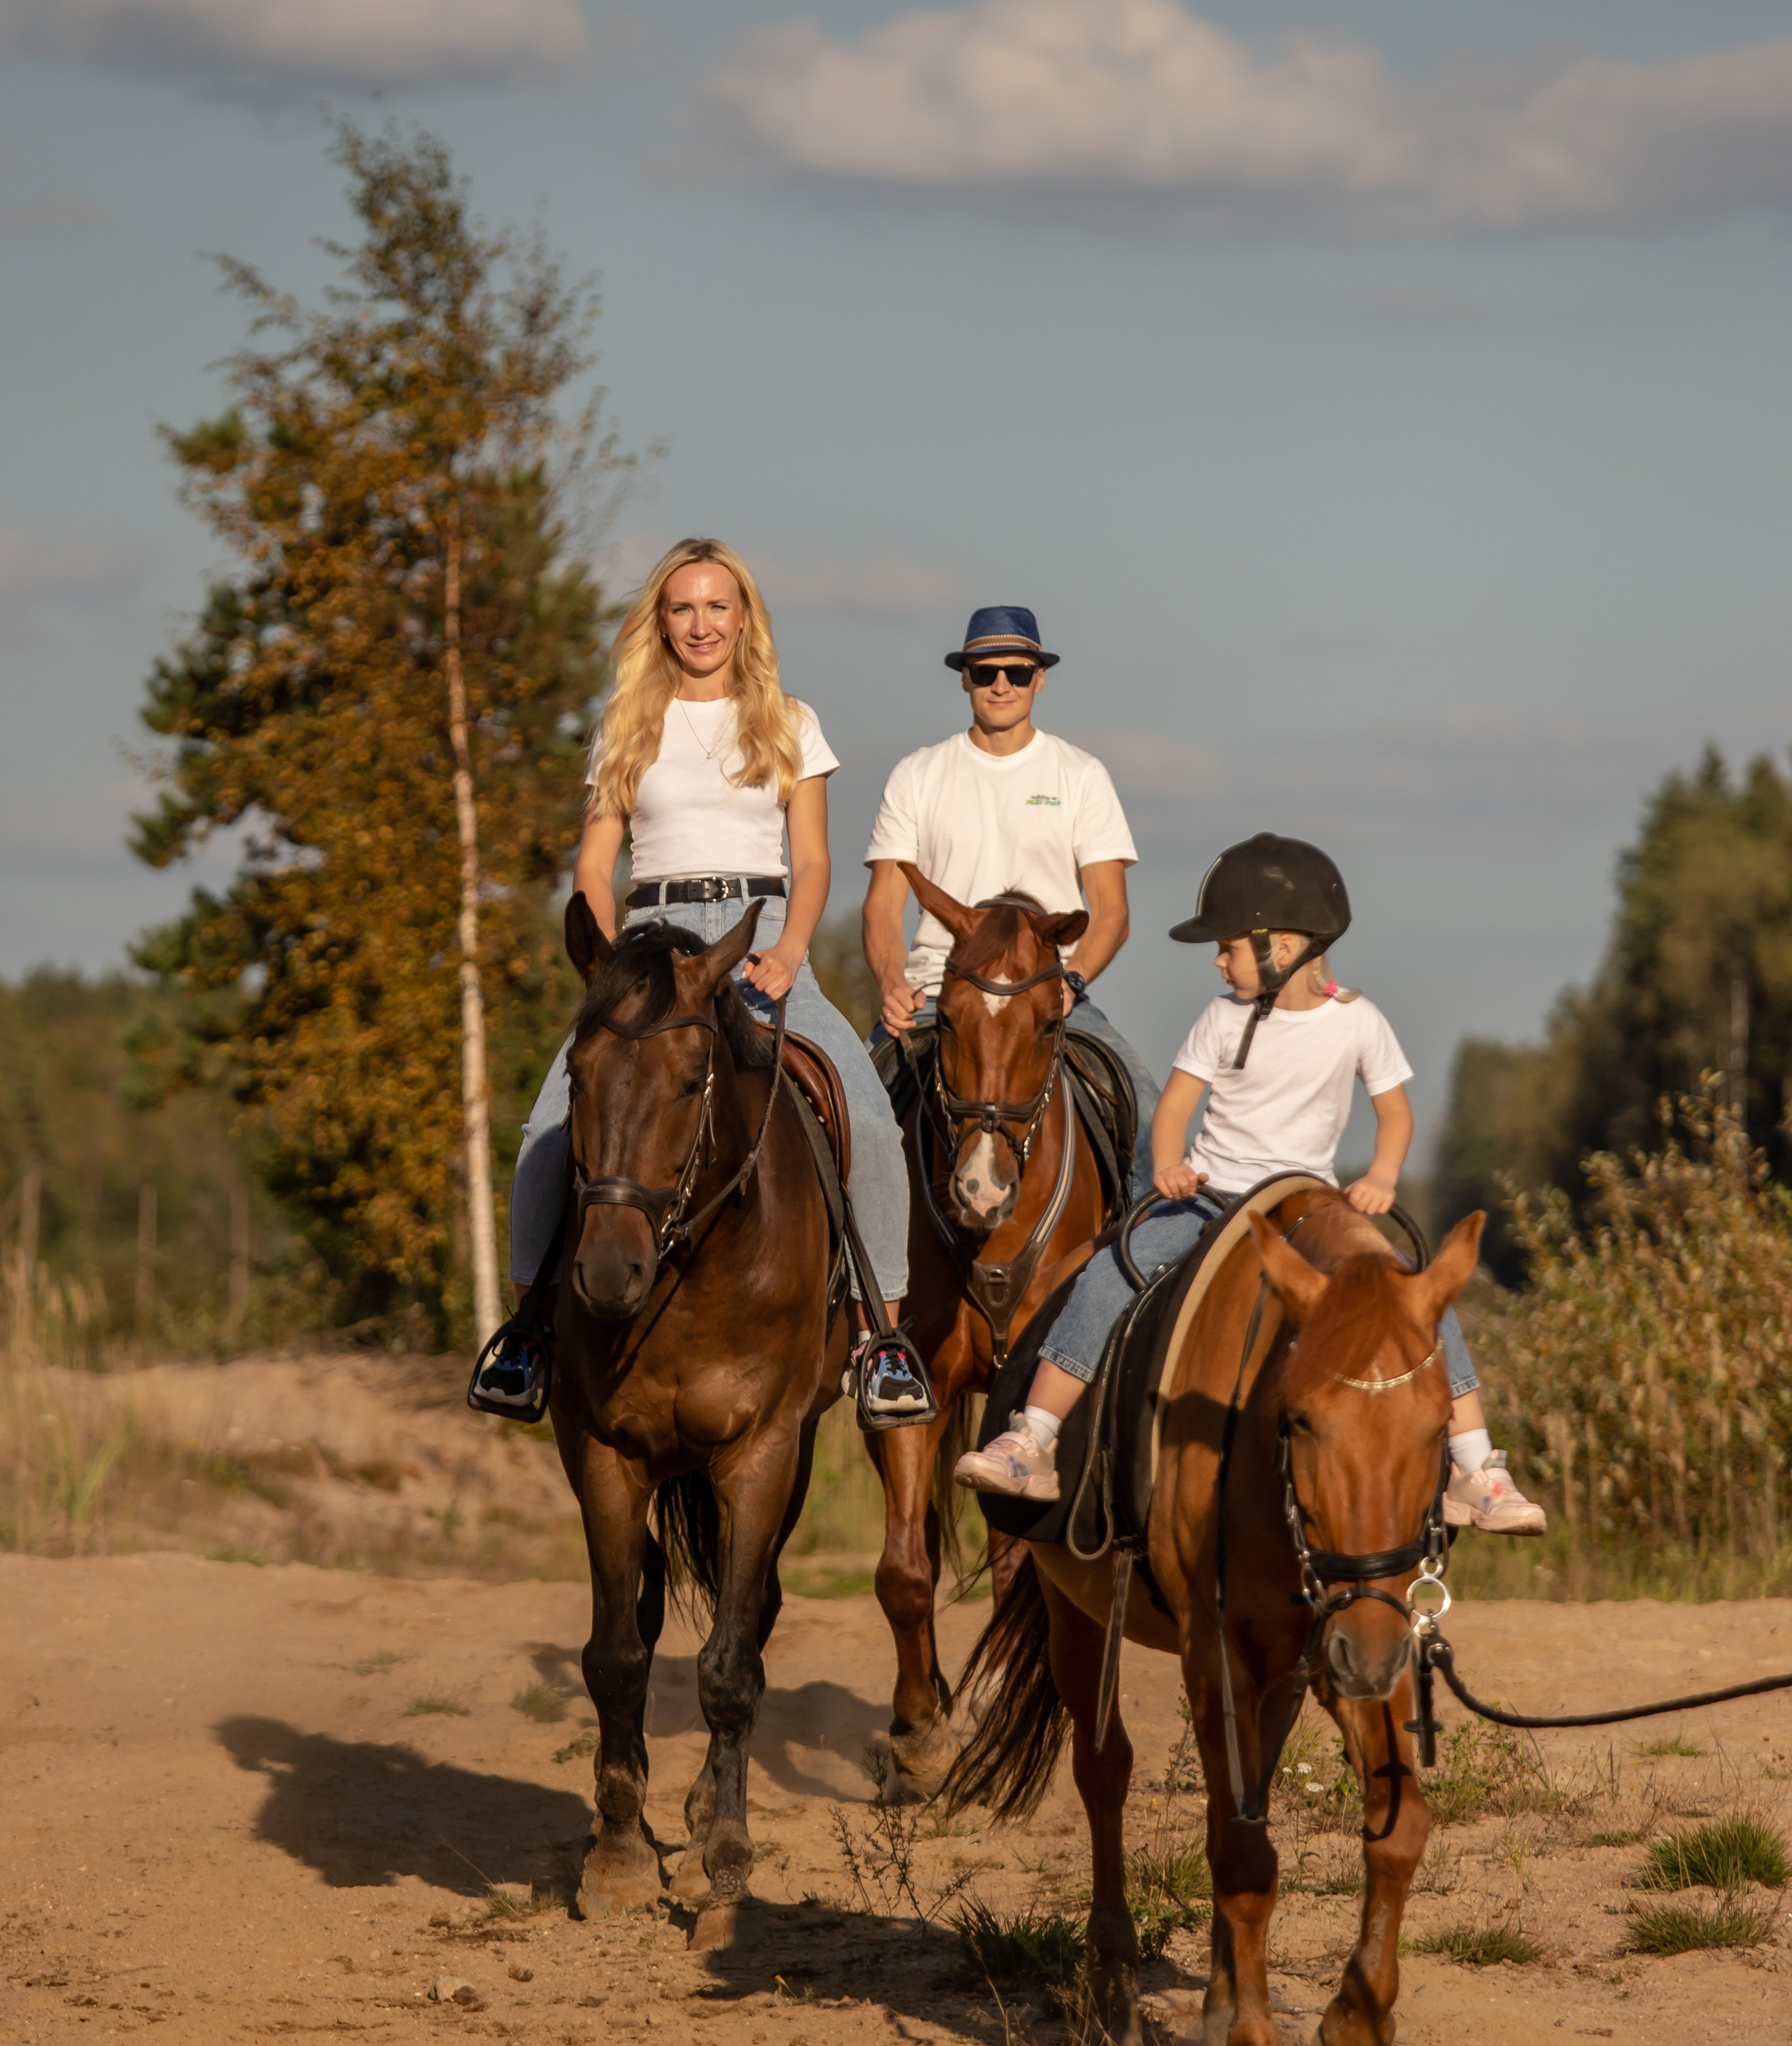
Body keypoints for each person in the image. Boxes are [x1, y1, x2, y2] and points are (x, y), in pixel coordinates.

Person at [954, 832, 1547, 1536]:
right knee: (1112, 1272)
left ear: (1284, 947)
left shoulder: (1358, 1021)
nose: (1216, 959)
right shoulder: (1219, 1016)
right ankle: (1036, 1438)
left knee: (1417, 1297)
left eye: (1227, 945)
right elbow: (1173, 1107)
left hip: (1311, 1203)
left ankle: (1475, 1470)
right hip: (1213, 1198)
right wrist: (1170, 1164)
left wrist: (1383, 1176)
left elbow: (1393, 1112)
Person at [470, 536, 930, 1425]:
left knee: (869, 1120)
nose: (701, 624)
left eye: (718, 606)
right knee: (546, 1126)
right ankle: (528, 1336)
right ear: (661, 621)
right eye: (683, 608)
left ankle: (882, 1343)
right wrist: (607, 971)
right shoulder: (626, 726)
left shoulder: (792, 722)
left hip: (756, 937)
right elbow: (596, 863)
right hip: (649, 941)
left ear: (744, 618)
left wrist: (792, 949)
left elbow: (812, 860)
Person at [862, 605, 1160, 1195]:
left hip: (1048, 997)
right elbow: (881, 906)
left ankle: (1150, 1269)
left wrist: (1071, 984)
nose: (1002, 684)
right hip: (936, 994)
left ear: (1039, 679)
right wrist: (893, 984)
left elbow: (1112, 911)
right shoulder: (917, 774)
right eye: (986, 671)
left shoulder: (1080, 774)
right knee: (852, 1123)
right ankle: (840, 1279)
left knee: (1150, 1114)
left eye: (1017, 673)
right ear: (964, 677)